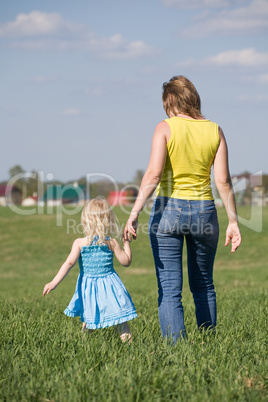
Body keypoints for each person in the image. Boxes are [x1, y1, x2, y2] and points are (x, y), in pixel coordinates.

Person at [124, 75, 241, 343]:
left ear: (172, 101)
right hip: (205, 211)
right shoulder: (215, 130)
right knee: (204, 285)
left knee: (169, 288)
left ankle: (177, 351)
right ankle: (209, 345)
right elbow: (222, 180)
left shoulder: (164, 128)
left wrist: (134, 214)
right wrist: (233, 221)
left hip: (168, 210)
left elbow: (153, 175)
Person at [43, 197, 137, 342]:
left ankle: (84, 347)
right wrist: (126, 243)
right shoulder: (111, 242)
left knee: (88, 319)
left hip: (89, 287)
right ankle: (131, 349)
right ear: (108, 219)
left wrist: (53, 282)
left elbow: (69, 263)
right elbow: (126, 261)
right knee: (121, 320)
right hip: (110, 286)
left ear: (86, 220)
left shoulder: (80, 243)